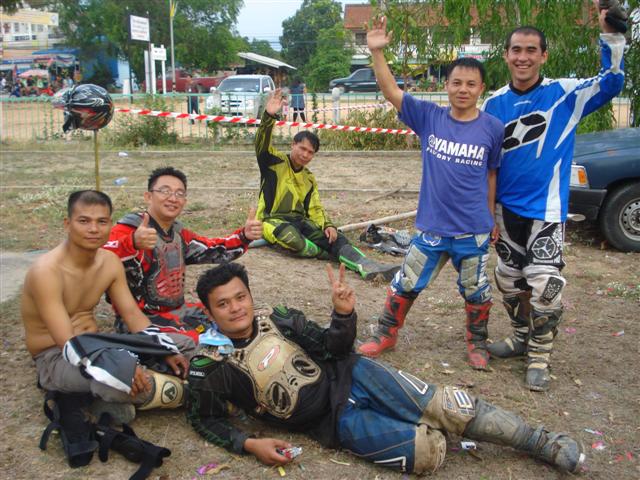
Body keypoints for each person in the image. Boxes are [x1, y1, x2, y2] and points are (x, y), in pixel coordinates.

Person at [186, 262, 584, 475]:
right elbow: (203, 419)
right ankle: (425, 420)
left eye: (241, 297)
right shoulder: (209, 366)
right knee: (427, 454)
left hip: (354, 375)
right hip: (331, 424)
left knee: (452, 408)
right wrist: (250, 444)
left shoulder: (279, 318)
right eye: (223, 304)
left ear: (250, 295)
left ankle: (541, 441)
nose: (236, 308)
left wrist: (343, 315)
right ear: (209, 311)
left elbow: (333, 347)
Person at [481, 2, 626, 391]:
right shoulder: (493, 104)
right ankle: (520, 338)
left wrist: (612, 35)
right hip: (505, 211)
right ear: (506, 55)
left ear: (543, 56)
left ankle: (540, 356)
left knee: (545, 283)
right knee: (508, 279)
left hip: (546, 210)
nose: (523, 57)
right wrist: (483, 211)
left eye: (531, 50)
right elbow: (485, 163)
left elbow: (611, 83)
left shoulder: (565, 94)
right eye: (516, 50)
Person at [357, 16, 504, 370]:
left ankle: (477, 342)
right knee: (406, 281)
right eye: (457, 82)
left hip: (473, 229)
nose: (463, 89)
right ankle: (386, 333)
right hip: (432, 227)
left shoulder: (493, 128)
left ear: (481, 88)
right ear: (447, 85)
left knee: (476, 289)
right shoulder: (429, 117)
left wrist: (492, 218)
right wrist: (376, 52)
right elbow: (391, 92)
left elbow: (491, 176)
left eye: (471, 84)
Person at [21, 191, 195, 431]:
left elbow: (133, 316)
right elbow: (69, 343)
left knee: (183, 345)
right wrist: (119, 365)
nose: (93, 229)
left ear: (110, 225)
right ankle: (191, 394)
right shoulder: (46, 272)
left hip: (99, 343)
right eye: (84, 221)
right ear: (67, 224)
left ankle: (136, 390)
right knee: (116, 380)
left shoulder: (109, 262)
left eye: (101, 221)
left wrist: (164, 349)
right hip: (57, 355)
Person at [104, 167, 263, 344]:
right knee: (201, 343)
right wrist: (132, 242)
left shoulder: (178, 235)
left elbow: (212, 249)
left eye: (179, 193)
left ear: (185, 201)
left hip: (177, 311)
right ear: (148, 196)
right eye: (165, 191)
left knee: (237, 317)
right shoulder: (128, 230)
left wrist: (244, 236)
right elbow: (98, 256)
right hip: (140, 320)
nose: (173, 198)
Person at [254, 90, 399, 281]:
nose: (305, 155)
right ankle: (326, 253)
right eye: (302, 148)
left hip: (300, 221)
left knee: (335, 237)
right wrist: (268, 116)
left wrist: (328, 225)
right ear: (292, 145)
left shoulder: (309, 178)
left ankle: (368, 266)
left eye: (310, 152)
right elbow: (261, 143)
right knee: (292, 239)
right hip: (272, 220)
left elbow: (315, 208)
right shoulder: (273, 162)